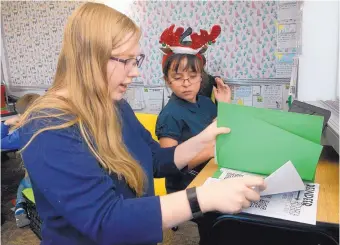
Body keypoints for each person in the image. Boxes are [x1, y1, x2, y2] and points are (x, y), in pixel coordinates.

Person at [17, 3, 265, 245]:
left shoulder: (115, 106)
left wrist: (204, 138)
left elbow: (155, 159)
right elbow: (106, 220)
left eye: (137, 60)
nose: (135, 72)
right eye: (126, 60)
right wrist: (203, 197)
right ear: (91, 57)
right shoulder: (48, 126)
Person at [156, 24, 231, 193]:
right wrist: (209, 152)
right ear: (168, 81)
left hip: (210, 178)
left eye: (192, 76)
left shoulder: (205, 103)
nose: (186, 83)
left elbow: (219, 131)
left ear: (201, 77)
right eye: (178, 77)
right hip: (185, 191)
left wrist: (224, 105)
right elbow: (168, 165)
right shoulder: (169, 115)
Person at [1, 93, 40, 227]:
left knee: (23, 185)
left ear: (22, 116)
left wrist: (6, 123)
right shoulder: (53, 127)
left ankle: (19, 210)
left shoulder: (22, 133)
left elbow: (1, 142)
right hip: (56, 176)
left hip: (35, 179)